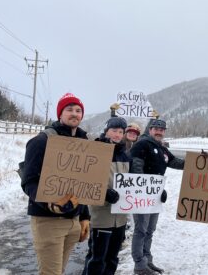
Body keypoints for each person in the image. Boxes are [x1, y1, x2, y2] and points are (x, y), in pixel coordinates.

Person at [23, 93, 91, 275]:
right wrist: (50, 203)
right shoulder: (41, 142)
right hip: (48, 221)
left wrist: (85, 216)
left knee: (59, 271)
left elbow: (82, 184)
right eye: (69, 109)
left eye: (78, 110)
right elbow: (29, 182)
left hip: (73, 221)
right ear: (60, 113)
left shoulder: (85, 144)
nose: (74, 114)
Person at [129, 118, 185, 275]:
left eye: (162, 129)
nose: (159, 131)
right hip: (141, 196)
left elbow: (175, 162)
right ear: (150, 129)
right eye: (156, 128)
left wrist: (197, 162)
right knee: (141, 229)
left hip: (154, 197)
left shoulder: (161, 148)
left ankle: (147, 260)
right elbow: (136, 169)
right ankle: (139, 264)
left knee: (150, 230)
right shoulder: (142, 144)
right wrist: (145, 189)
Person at [83, 116, 130, 275]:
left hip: (120, 218)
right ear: (107, 131)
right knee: (97, 259)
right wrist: (105, 193)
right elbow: (87, 179)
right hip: (101, 216)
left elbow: (135, 182)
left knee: (112, 258)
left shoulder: (125, 155)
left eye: (121, 131)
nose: (117, 134)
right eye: (114, 130)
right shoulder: (97, 150)